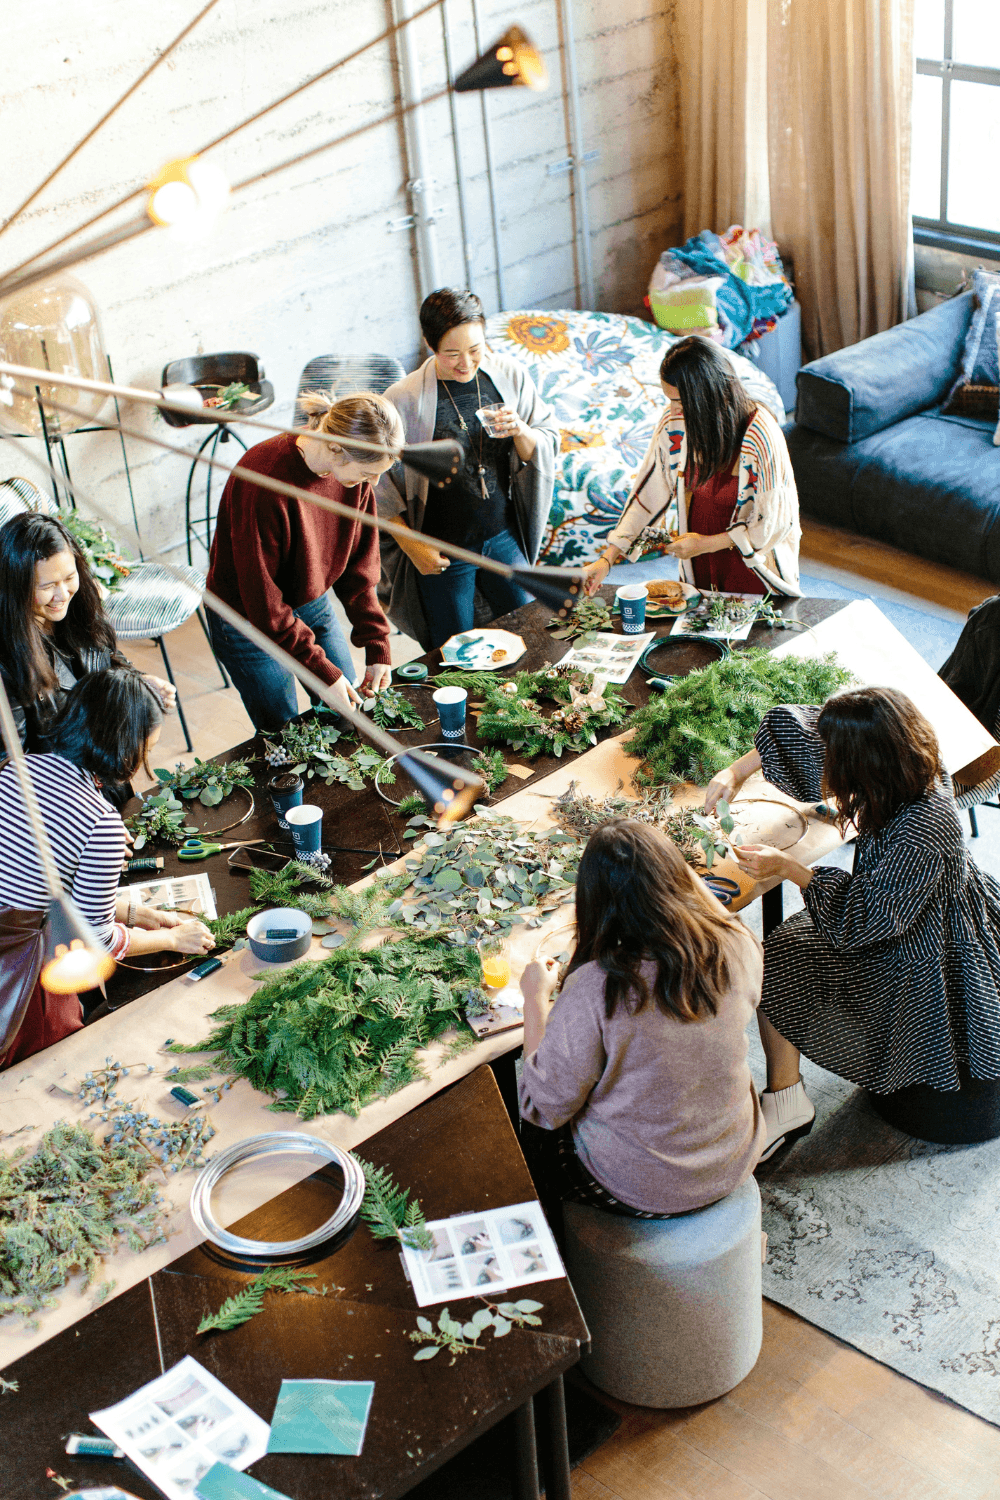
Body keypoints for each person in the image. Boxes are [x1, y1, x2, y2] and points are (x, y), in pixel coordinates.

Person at [704, 687, 1000, 1159]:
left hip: (918, 942)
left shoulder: (922, 830)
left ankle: (786, 1102)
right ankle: (788, 1095)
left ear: (866, 768)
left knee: (778, 957)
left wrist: (789, 868)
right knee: (786, 943)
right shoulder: (911, 757)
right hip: (907, 904)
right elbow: (800, 731)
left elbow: (861, 922)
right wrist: (735, 770)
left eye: (836, 764)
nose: (826, 768)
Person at [518, 820, 765, 1221]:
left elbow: (542, 1106)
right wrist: (659, 858)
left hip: (644, 1187)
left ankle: (560, 1258)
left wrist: (535, 998)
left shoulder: (598, 987)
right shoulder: (737, 942)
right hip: (735, 1154)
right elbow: (711, 911)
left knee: (535, 1136)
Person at [0, 670, 215, 1069]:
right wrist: (174, 938)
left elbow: (42, 885)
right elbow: (96, 940)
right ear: (126, 744)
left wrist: (144, 913)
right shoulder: (100, 821)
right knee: (46, 1069)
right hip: (23, 976)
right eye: (147, 748)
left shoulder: (19, 769)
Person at [206, 391, 402, 732]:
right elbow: (264, 605)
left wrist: (377, 641)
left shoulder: (354, 478)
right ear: (335, 448)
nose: (374, 483)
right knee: (284, 730)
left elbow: (359, 567)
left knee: (347, 715)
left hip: (309, 599)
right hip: (246, 621)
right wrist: (322, 675)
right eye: (368, 472)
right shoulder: (264, 479)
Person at [376, 288, 560, 650]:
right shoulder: (402, 400)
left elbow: (547, 439)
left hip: (503, 535)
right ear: (430, 345)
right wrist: (413, 547)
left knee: (533, 634)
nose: (466, 364)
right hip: (442, 548)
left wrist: (521, 430)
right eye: (452, 354)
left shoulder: (508, 375)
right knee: (457, 652)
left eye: (476, 350)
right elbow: (376, 486)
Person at [582, 335, 801, 598]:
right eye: (670, 400)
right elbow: (649, 491)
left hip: (752, 565)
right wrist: (607, 559)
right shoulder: (675, 425)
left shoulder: (760, 433)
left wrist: (708, 544)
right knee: (696, 626)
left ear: (709, 397)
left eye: (681, 403)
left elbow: (773, 525)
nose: (672, 411)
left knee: (754, 633)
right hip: (698, 558)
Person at [0, 512, 177, 751]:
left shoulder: (80, 609)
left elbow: (108, 661)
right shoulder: (7, 660)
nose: (62, 595)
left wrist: (135, 684)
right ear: (16, 587)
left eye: (69, 578)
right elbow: (13, 764)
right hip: (61, 783)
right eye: (48, 586)